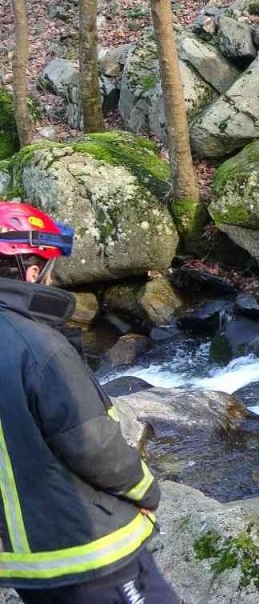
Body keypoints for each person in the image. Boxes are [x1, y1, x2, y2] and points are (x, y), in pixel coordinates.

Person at [0, 202, 179, 604]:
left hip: (23, 564)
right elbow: (93, 445)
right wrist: (146, 493)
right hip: (89, 550)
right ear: (31, 270)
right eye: (49, 268)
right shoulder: (39, 346)